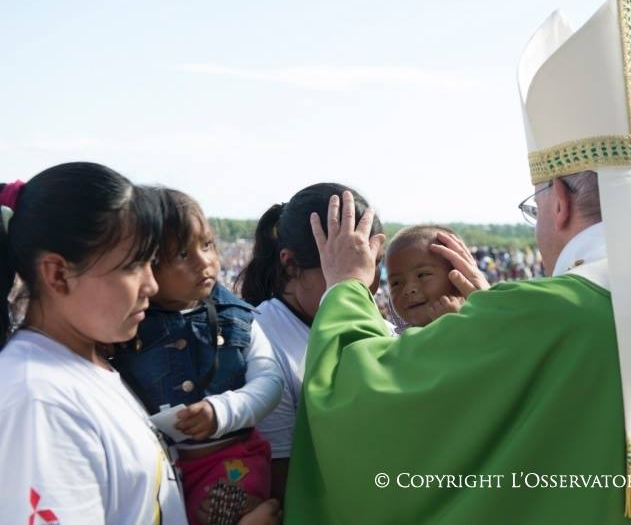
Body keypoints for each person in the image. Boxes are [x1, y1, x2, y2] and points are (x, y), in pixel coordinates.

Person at [284, 0, 631, 525]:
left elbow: (358, 399)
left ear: (558, 202)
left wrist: (346, 287)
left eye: (534, 206)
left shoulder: (532, 315)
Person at [0, 162, 187, 524]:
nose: (151, 285)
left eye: (151, 263)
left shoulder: (78, 371)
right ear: (58, 274)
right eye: (132, 266)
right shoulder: (38, 402)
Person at [111, 188, 284, 525]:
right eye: (182, 255)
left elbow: (269, 381)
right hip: (161, 465)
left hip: (232, 459)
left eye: (207, 245)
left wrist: (222, 411)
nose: (205, 261)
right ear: (147, 266)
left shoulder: (238, 315)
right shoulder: (125, 325)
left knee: (222, 513)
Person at [235, 182, 384, 502]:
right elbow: (282, 482)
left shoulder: (379, 325)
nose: (365, 288)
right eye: (345, 271)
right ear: (290, 264)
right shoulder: (259, 339)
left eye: (371, 268)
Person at [385, 224, 480, 328]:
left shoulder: (483, 324)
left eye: (422, 275)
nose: (408, 289)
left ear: (459, 277)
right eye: (396, 283)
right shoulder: (396, 340)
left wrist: (456, 326)